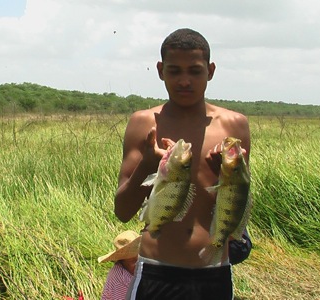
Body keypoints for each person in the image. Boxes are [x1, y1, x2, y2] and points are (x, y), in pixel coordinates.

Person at [114, 28, 251, 300]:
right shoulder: (144, 123)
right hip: (156, 270)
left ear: (210, 71)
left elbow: (237, 203)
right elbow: (123, 210)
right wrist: (147, 164)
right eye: (175, 71)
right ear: (160, 70)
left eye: (195, 71)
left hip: (213, 271)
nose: (184, 81)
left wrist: (224, 176)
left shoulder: (235, 125)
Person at [98, 230, 141, 300]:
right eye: (133, 261)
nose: (138, 263)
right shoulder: (119, 278)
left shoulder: (137, 271)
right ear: (122, 262)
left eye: (140, 259)